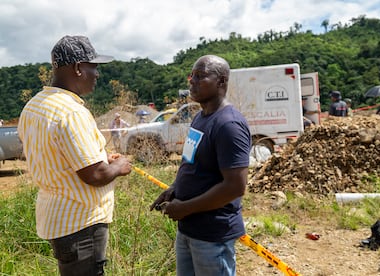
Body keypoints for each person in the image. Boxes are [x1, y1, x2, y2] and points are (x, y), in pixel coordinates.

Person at [17, 35, 132, 276]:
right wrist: (119, 165)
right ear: (78, 68)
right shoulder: (71, 113)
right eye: (94, 67)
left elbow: (56, 156)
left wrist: (99, 156)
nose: (97, 75)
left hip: (58, 219)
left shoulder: (34, 106)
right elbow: (95, 175)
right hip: (81, 224)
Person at [150, 55, 251, 276]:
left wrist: (185, 207)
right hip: (188, 229)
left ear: (221, 81)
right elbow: (190, 162)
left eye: (200, 76)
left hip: (212, 236)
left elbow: (235, 187)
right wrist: (174, 189)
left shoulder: (228, 125)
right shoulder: (200, 118)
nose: (192, 81)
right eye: (191, 76)